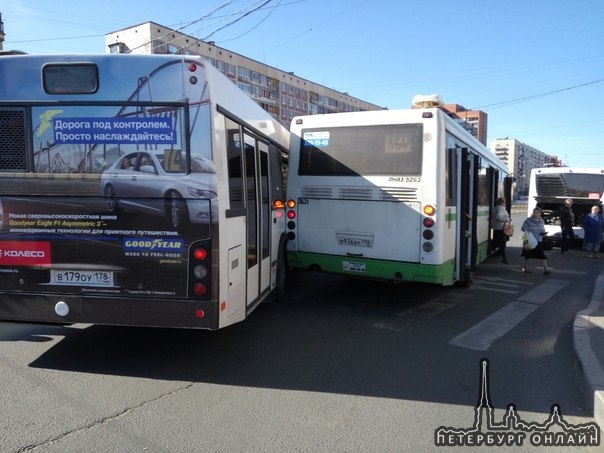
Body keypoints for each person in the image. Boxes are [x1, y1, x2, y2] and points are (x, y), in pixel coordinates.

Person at [520, 207, 551, 275]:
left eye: (537, 212)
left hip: (538, 240)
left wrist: (544, 233)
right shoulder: (528, 220)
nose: (536, 214)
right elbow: (522, 228)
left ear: (540, 213)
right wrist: (527, 229)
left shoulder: (541, 220)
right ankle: (525, 267)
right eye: (535, 212)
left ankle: (546, 269)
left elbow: (542, 229)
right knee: (528, 255)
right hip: (530, 240)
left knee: (542, 255)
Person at [491, 196, 511, 264]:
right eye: (504, 201)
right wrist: (507, 219)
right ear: (502, 202)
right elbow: (498, 217)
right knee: (502, 244)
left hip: (497, 227)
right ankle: (504, 258)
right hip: (501, 228)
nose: (505, 202)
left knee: (500, 243)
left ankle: (501, 256)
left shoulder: (495, 208)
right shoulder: (501, 208)